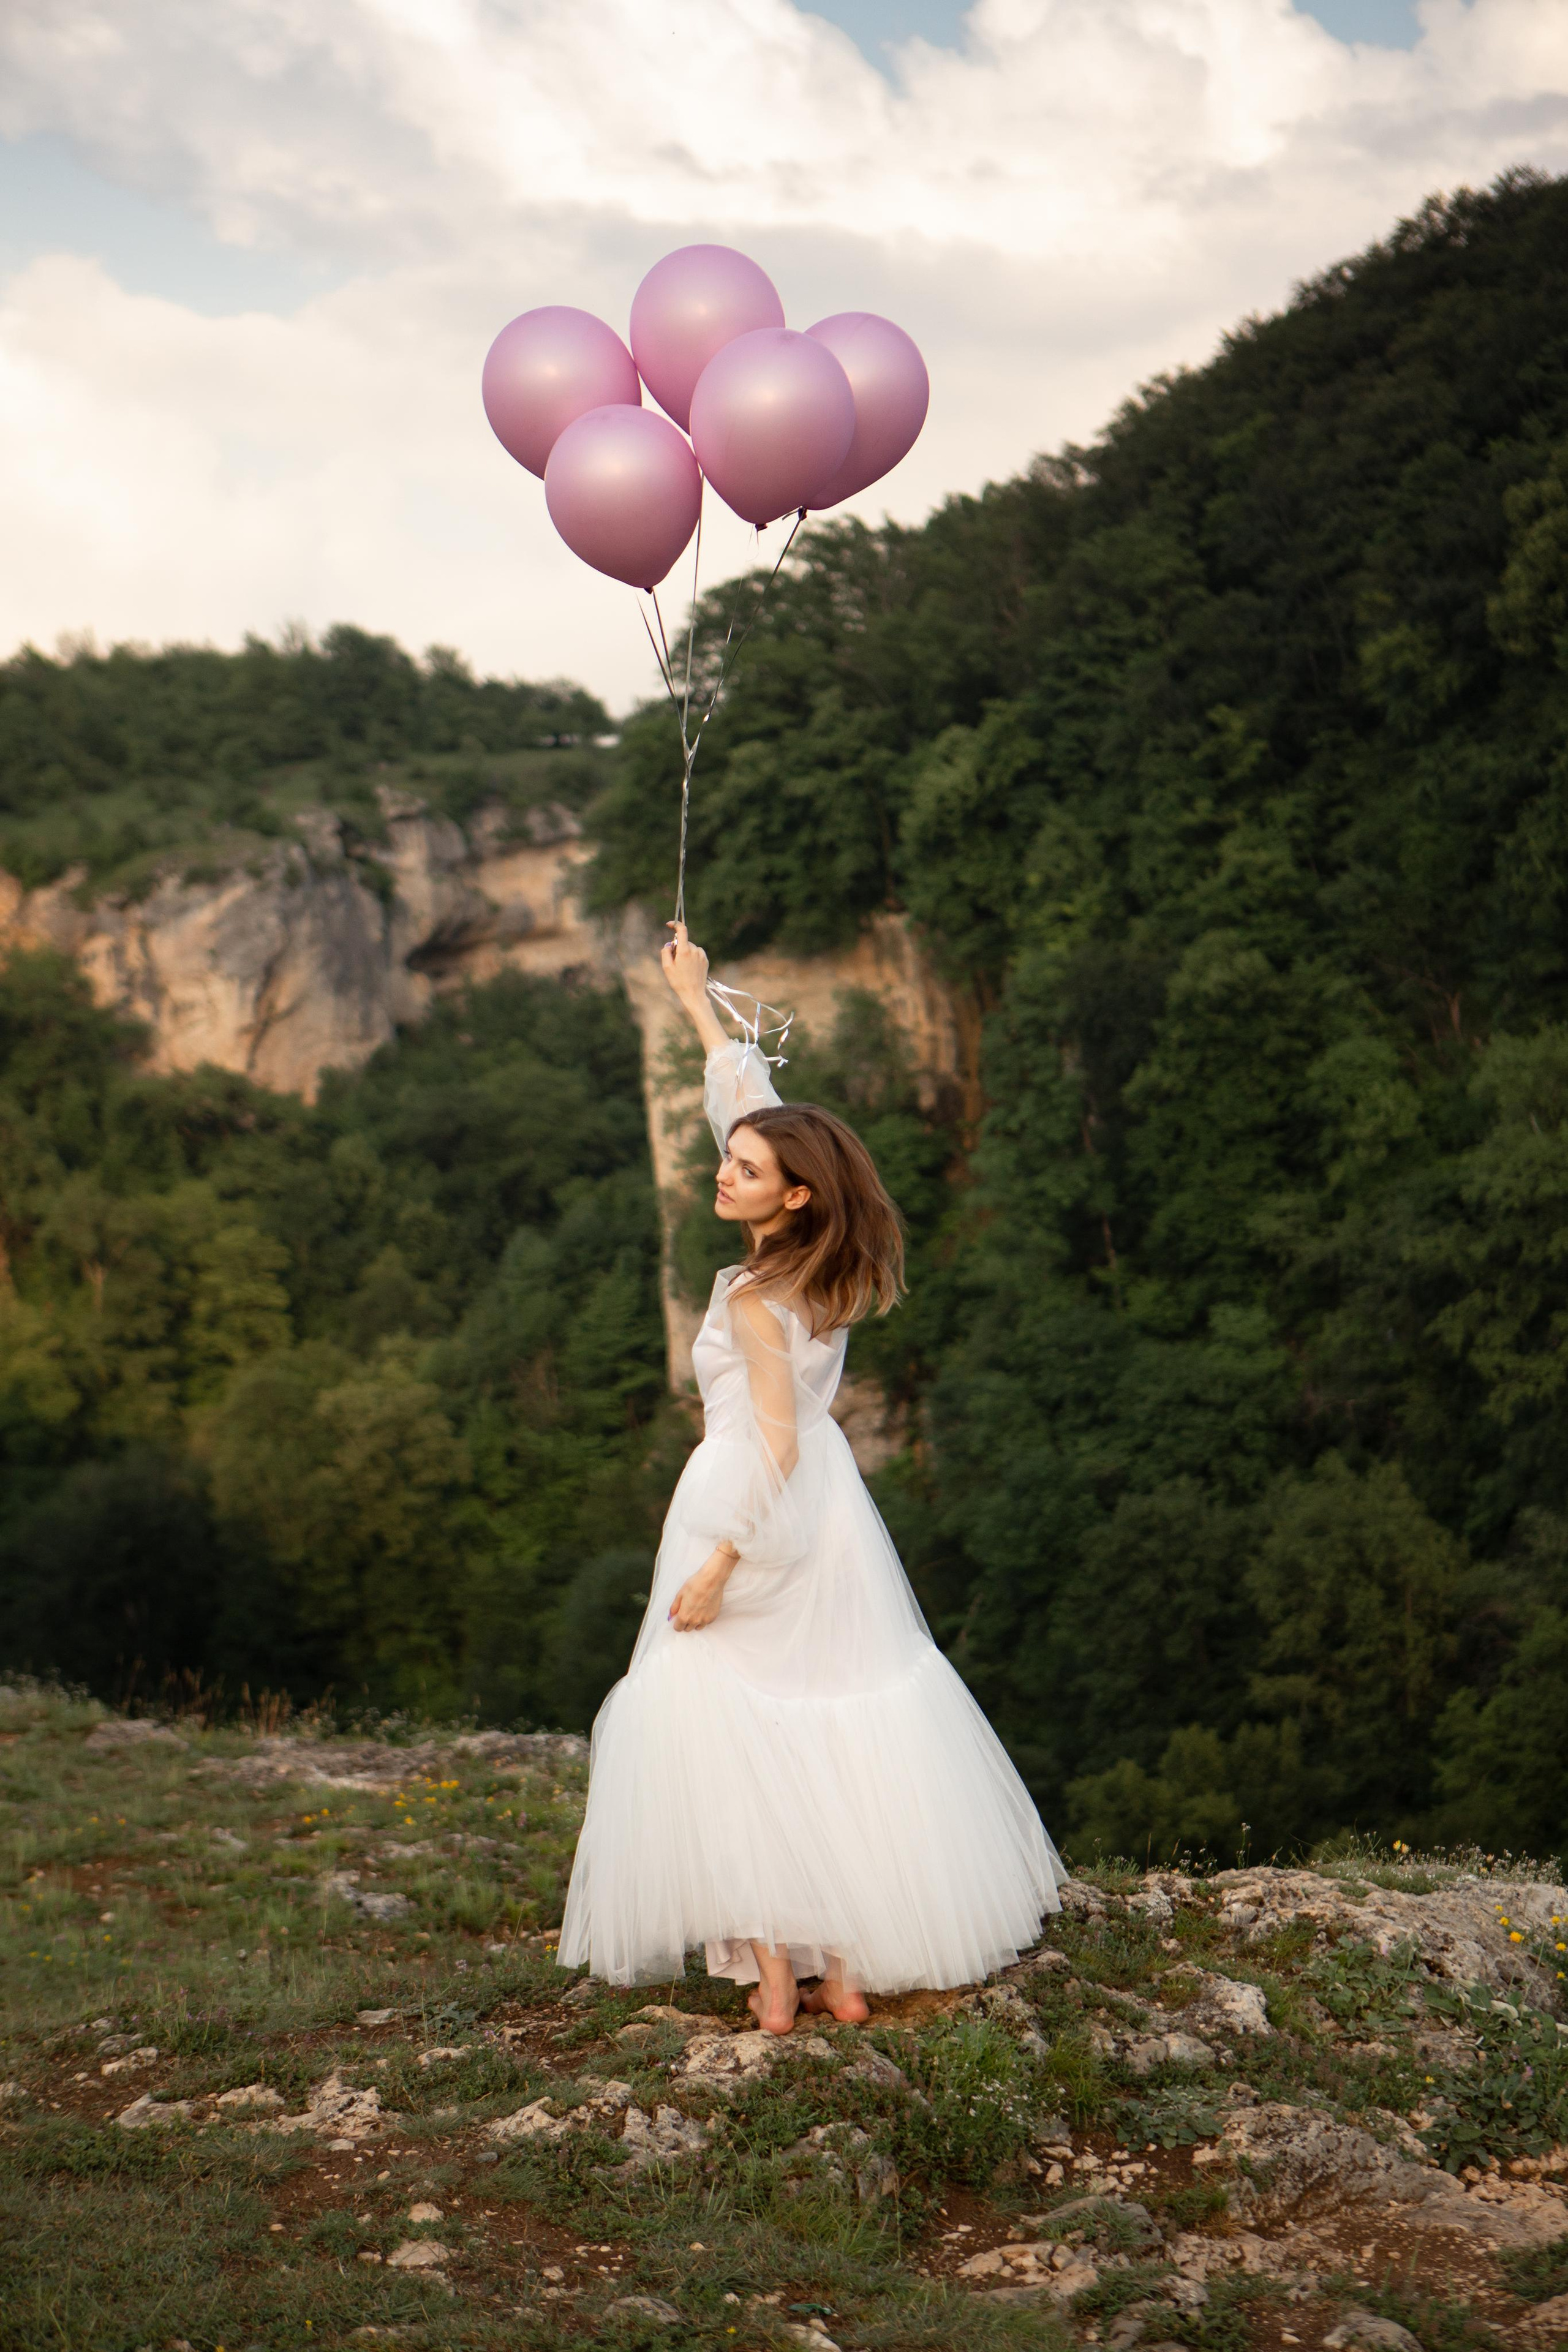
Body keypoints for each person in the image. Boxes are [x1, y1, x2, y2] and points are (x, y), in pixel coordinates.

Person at [556, 922, 1065, 2032]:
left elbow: (776, 1438)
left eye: (743, 1170)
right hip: (831, 1513)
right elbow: (751, 1106)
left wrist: (722, 1560)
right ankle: (842, 1972)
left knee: (726, 1723)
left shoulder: (751, 1295)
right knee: (828, 1716)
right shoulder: (818, 1265)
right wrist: (697, 1006)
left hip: (756, 1500)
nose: (721, 1170)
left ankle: (777, 1980)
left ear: (790, 1196)